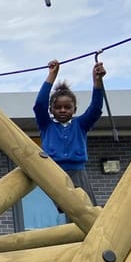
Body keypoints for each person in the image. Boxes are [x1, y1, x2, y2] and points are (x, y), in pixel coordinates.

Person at [33, 59, 106, 208]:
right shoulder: (46, 125)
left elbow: (95, 108)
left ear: (74, 109)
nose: (63, 110)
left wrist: (97, 81)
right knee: (68, 208)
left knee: (88, 209)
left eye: (67, 107)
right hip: (54, 172)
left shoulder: (80, 124)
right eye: (58, 107)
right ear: (51, 110)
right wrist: (52, 76)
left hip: (78, 172)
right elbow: (39, 104)